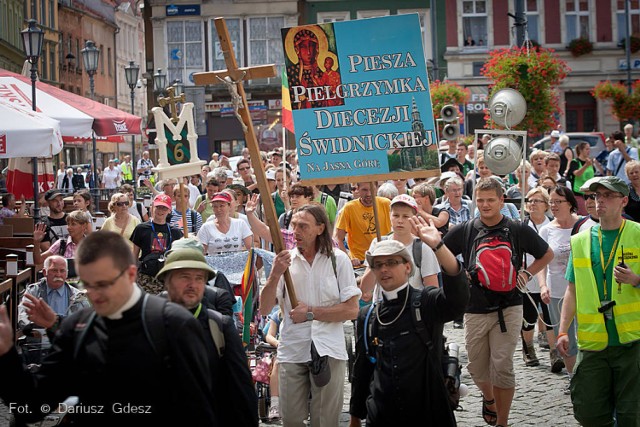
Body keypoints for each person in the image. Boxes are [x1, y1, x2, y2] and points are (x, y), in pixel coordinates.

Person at [0, 231, 217, 426]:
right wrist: (6, 354)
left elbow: (199, 412)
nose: (94, 294)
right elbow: (32, 407)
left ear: (131, 275)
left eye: (104, 284)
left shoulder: (174, 324)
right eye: (88, 284)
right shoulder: (76, 327)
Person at [443, 177, 553, 427]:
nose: (485, 205)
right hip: (475, 308)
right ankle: (489, 398)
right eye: (480, 200)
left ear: (502, 200)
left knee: (502, 365)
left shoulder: (517, 228)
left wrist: (527, 273)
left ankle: (502, 422)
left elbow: (547, 254)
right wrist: (460, 274)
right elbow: (442, 251)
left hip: (510, 305)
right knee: (476, 368)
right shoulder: (467, 229)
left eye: (490, 200)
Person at [349, 220, 469, 426]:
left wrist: (438, 247)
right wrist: (354, 417)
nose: (384, 269)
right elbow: (362, 371)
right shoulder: (367, 316)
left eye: (391, 262)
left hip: (427, 412)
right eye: (378, 265)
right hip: (382, 416)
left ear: (407, 267)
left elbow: (457, 300)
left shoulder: (425, 302)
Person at [260, 204, 361, 427]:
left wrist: (311, 313)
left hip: (328, 349)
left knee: (324, 421)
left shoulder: (338, 260)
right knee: (292, 420)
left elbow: (352, 310)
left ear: (320, 228)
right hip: (293, 350)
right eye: (293, 225)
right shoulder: (284, 262)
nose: (296, 231)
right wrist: (274, 275)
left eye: (303, 226)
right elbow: (265, 309)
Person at [560, 176, 640, 427]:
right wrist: (563, 330)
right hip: (593, 342)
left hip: (632, 341)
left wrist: (636, 280)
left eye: (607, 196)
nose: (599, 201)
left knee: (631, 415)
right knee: (589, 412)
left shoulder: (638, 234)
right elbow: (571, 290)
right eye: (595, 197)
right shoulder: (580, 240)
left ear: (624, 201)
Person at [156, 242, 257, 427]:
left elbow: (242, 394)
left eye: (199, 278)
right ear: (167, 280)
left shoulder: (220, 327)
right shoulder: (147, 323)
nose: (192, 285)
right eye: (184, 277)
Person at [359, 194, 441, 303]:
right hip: (382, 310)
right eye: (396, 215)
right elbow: (365, 288)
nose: (400, 220)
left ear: (414, 218)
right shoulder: (378, 243)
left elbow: (432, 289)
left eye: (406, 216)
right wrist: (376, 261)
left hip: (411, 310)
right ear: (389, 216)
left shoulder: (423, 248)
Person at [538, 186, 580, 385]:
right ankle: (574, 379)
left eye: (558, 202)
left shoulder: (584, 225)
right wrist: (542, 286)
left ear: (570, 203)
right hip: (556, 291)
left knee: (588, 336)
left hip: (583, 290)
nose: (553, 206)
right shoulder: (546, 230)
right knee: (565, 338)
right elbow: (541, 262)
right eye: (551, 202)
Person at [520, 187, 558, 368]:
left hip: (549, 278)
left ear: (546, 205)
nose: (532, 204)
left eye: (537, 201)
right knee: (529, 318)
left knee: (550, 316)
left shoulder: (551, 225)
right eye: (530, 201)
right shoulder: (521, 225)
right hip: (527, 279)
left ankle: (554, 352)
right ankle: (528, 348)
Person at [18, 255, 89, 330]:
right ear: (45, 272)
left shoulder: (78, 296)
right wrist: (32, 327)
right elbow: (23, 315)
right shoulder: (34, 291)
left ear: (67, 273)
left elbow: (86, 320)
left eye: (62, 271)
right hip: (39, 338)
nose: (58, 275)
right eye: (54, 270)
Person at [130, 194, 183, 294]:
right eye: (158, 207)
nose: (160, 211)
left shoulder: (175, 232)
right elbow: (135, 255)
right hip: (146, 276)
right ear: (152, 207)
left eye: (164, 208)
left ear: (169, 210)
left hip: (167, 276)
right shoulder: (141, 228)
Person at [335, 182, 392, 267]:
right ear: (357, 189)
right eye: (364, 190)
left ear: (377, 188)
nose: (369, 194)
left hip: (384, 260)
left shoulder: (386, 204)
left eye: (372, 190)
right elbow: (338, 238)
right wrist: (348, 259)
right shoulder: (349, 208)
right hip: (360, 264)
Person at [286, 28, 324, 110]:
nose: (308, 52)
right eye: (304, 47)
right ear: (297, 50)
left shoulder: (321, 72)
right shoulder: (291, 73)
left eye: (311, 46)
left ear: (316, 48)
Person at [567, 142, 595, 215]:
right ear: (581, 150)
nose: (589, 151)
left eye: (589, 149)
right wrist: (585, 165)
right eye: (586, 149)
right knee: (584, 213)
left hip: (590, 193)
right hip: (579, 193)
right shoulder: (575, 162)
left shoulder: (590, 162)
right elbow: (577, 174)